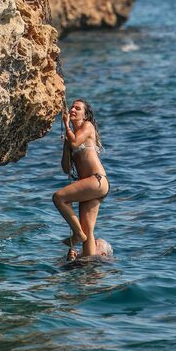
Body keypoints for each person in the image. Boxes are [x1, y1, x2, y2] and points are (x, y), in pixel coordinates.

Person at [52, 99, 109, 256]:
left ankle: (77, 234)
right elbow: (65, 168)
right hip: (90, 184)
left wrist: (67, 127)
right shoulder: (71, 136)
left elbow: (77, 143)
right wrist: (66, 145)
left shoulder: (87, 126)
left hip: (96, 179)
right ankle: (88, 267)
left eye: (78, 108)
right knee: (88, 231)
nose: (73, 110)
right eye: (72, 107)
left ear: (85, 115)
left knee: (58, 198)